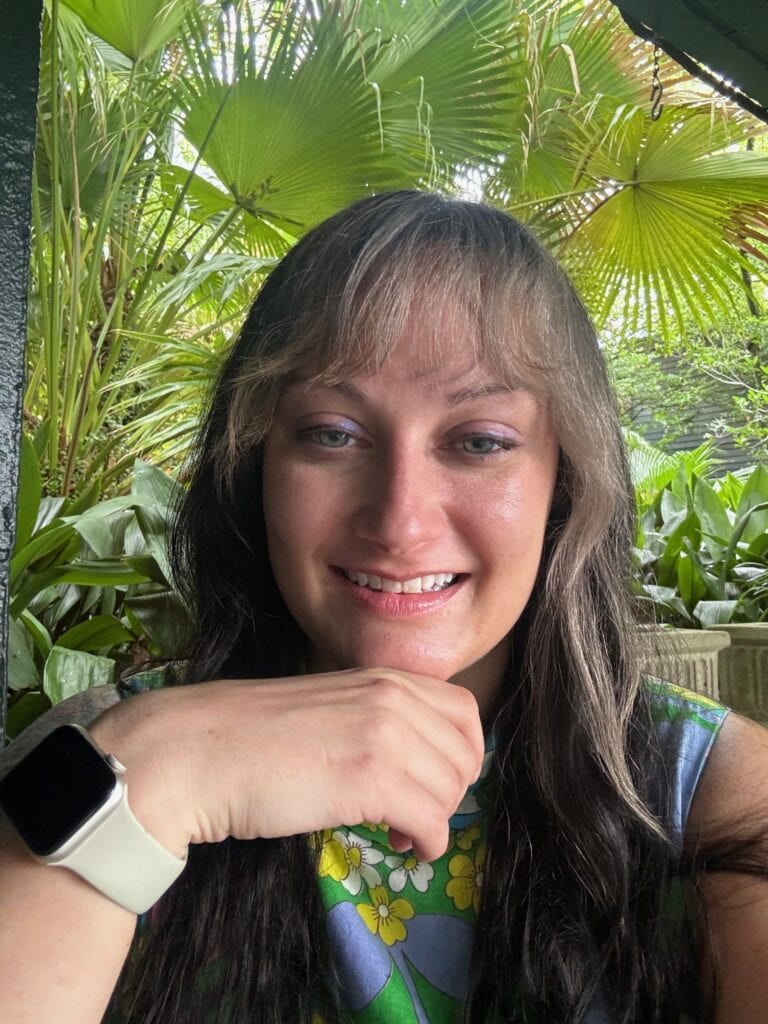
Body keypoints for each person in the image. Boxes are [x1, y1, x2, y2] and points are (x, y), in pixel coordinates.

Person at [1, 190, 768, 1024]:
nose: (400, 521)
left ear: (564, 483)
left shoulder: (710, 789)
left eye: (479, 442)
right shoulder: (100, 767)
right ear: (255, 468)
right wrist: (155, 774)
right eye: (333, 432)